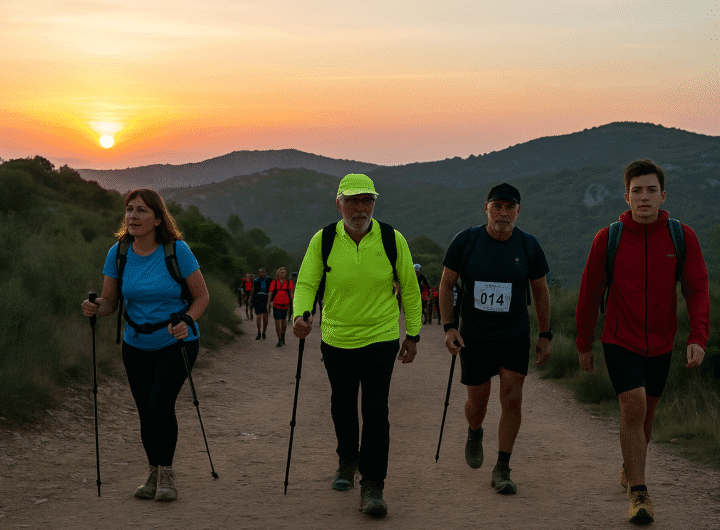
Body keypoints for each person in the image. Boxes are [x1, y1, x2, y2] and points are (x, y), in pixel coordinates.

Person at [575, 159, 709, 524]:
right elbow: (589, 293)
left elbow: (697, 290)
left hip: (662, 343)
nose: (644, 197)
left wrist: (698, 336)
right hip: (620, 338)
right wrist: (583, 343)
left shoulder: (683, 237)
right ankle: (640, 494)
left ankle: (629, 466)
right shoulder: (609, 238)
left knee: (646, 418)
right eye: (637, 191)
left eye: (651, 190)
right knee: (633, 406)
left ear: (663, 195)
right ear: (627, 196)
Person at [292, 173, 422, 517]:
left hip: (380, 337)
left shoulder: (393, 240)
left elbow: (409, 287)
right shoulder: (323, 240)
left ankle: (373, 485)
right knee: (343, 404)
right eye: (352, 201)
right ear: (339, 204)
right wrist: (300, 315)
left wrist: (413, 334)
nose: (360, 208)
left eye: (367, 201)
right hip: (336, 338)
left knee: (376, 410)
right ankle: (347, 460)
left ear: (374, 204)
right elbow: (306, 282)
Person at [80, 189, 210, 502]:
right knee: (144, 411)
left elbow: (202, 297)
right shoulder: (119, 252)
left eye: (141, 211)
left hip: (176, 341)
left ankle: (166, 473)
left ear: (156, 219)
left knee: (159, 405)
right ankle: (152, 472)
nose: (133, 216)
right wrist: (97, 307)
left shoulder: (177, 251)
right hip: (135, 343)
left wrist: (188, 321)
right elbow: (111, 301)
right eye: (129, 210)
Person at [439, 182, 551, 496]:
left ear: (518, 211)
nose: (503, 213)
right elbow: (446, 285)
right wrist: (449, 327)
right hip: (474, 337)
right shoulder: (467, 241)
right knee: (478, 403)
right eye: (497, 206)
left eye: (509, 207)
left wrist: (545, 334)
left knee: (512, 399)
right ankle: (475, 431)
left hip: (513, 336)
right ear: (486, 208)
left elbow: (541, 292)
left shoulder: (528, 245)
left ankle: (503, 467)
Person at [267, 266, 294, 347]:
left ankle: (283, 336)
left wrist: (292, 305)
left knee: (284, 322)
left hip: (285, 305)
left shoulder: (289, 282)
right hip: (276, 304)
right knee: (277, 322)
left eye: (284, 273)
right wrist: (268, 304)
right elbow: (270, 294)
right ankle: (279, 339)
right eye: (281, 272)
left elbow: (291, 294)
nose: (283, 274)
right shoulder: (274, 282)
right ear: (278, 273)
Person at [250, 268, 272, 340]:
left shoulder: (269, 280)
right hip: (258, 299)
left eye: (263, 272)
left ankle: (264, 332)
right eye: (260, 272)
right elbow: (253, 290)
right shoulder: (256, 281)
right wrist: (250, 298)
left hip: (266, 298)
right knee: (258, 316)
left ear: (265, 273)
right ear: (258, 273)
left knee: (265, 317)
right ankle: (259, 332)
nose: (262, 273)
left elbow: (273, 290)